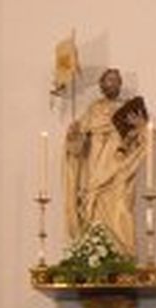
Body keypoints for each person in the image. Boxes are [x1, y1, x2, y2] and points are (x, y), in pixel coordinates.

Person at [64, 68, 147, 255]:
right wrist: (73, 135)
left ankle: (124, 254)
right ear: (101, 85)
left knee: (122, 208)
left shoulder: (129, 110)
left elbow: (146, 137)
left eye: (117, 80)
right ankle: (96, 252)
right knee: (94, 210)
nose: (113, 83)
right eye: (109, 80)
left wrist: (140, 128)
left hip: (120, 167)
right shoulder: (94, 110)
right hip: (97, 168)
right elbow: (78, 146)